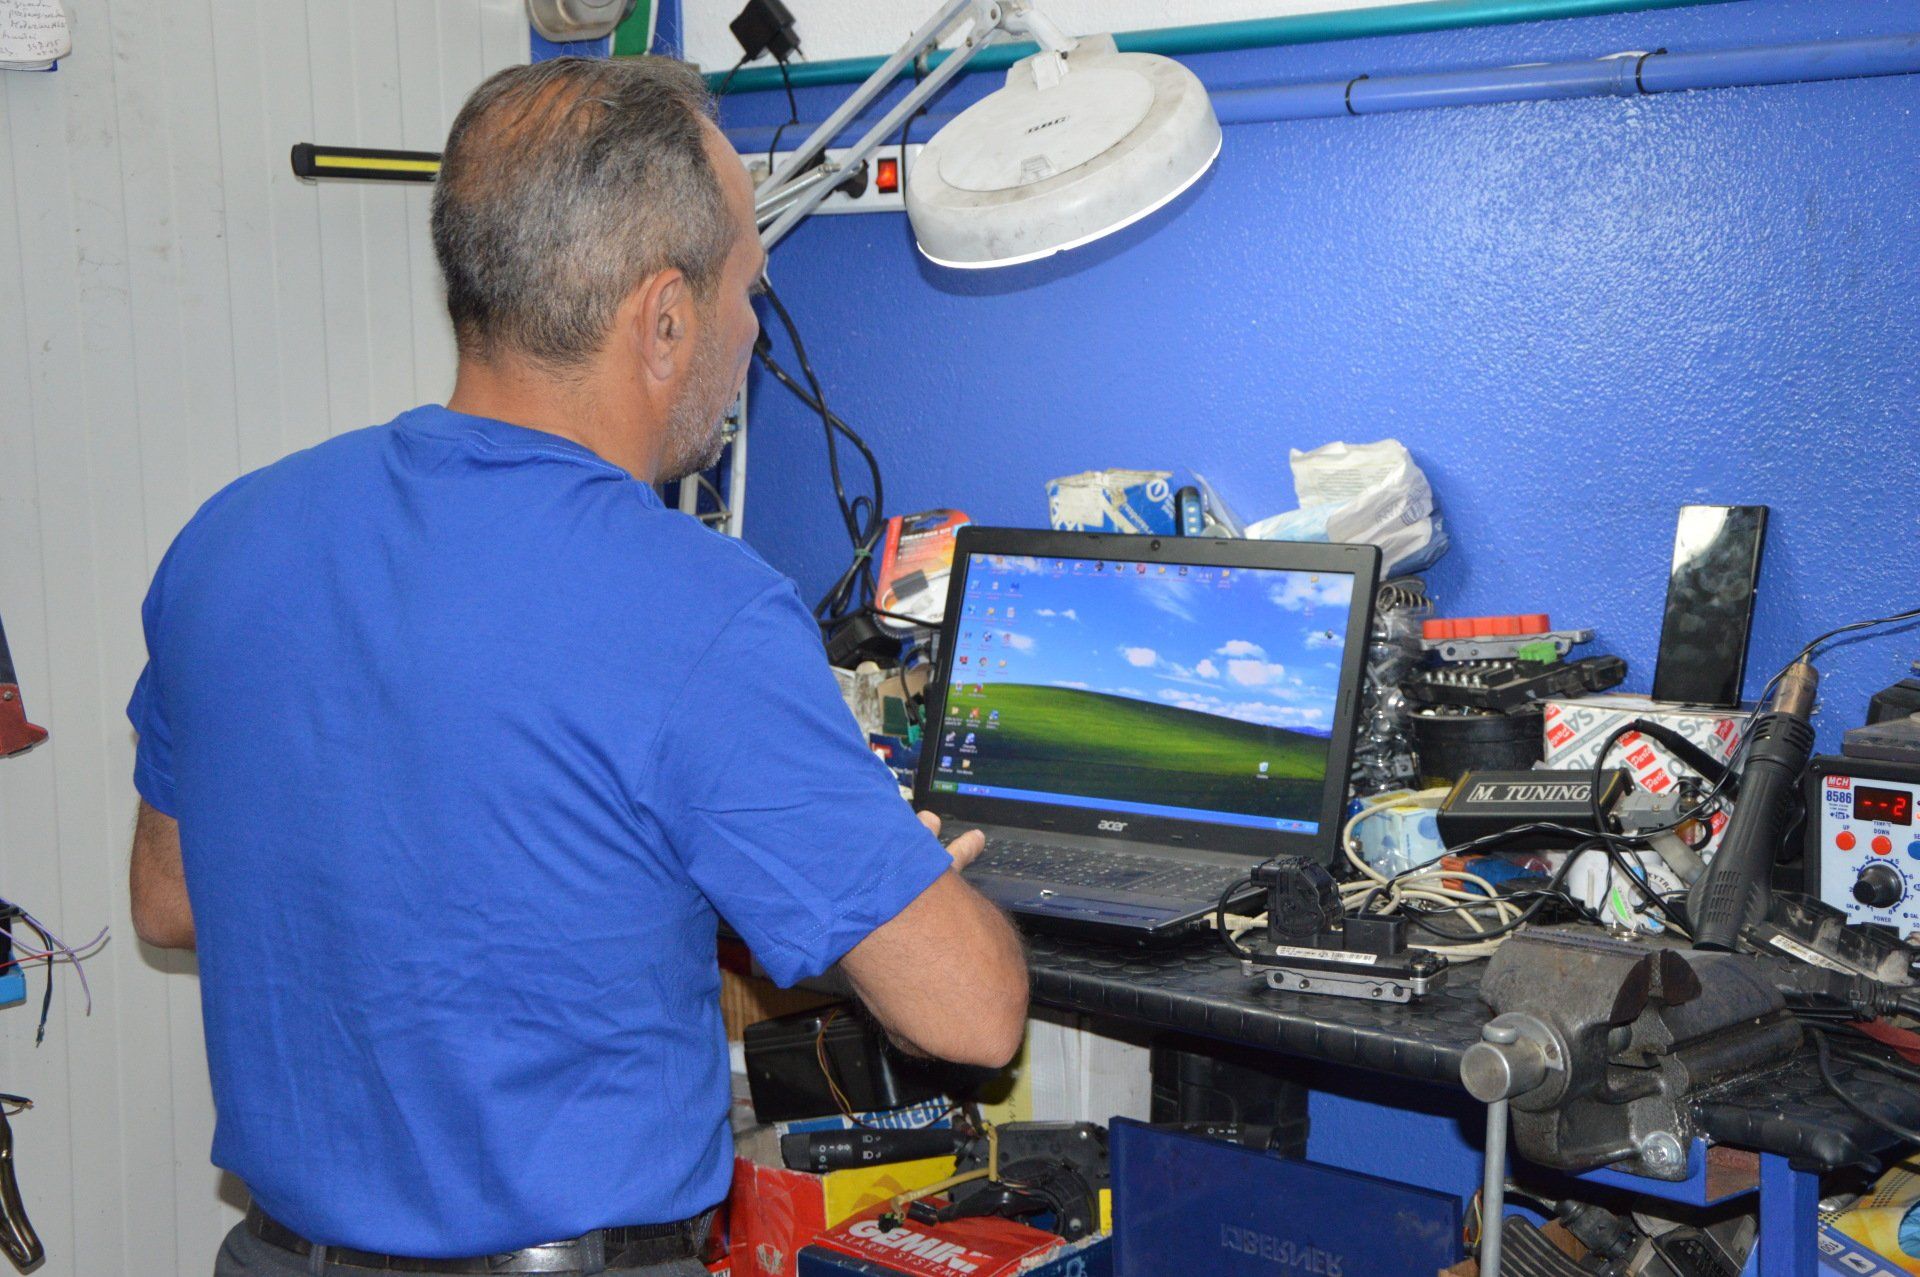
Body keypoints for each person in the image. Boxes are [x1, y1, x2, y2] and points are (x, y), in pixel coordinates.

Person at [126, 55, 1027, 1277]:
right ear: (664, 319)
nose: (752, 330)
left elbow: (172, 896)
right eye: (746, 288)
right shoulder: (697, 609)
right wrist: (885, 872)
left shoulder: (230, 539)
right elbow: (972, 1015)